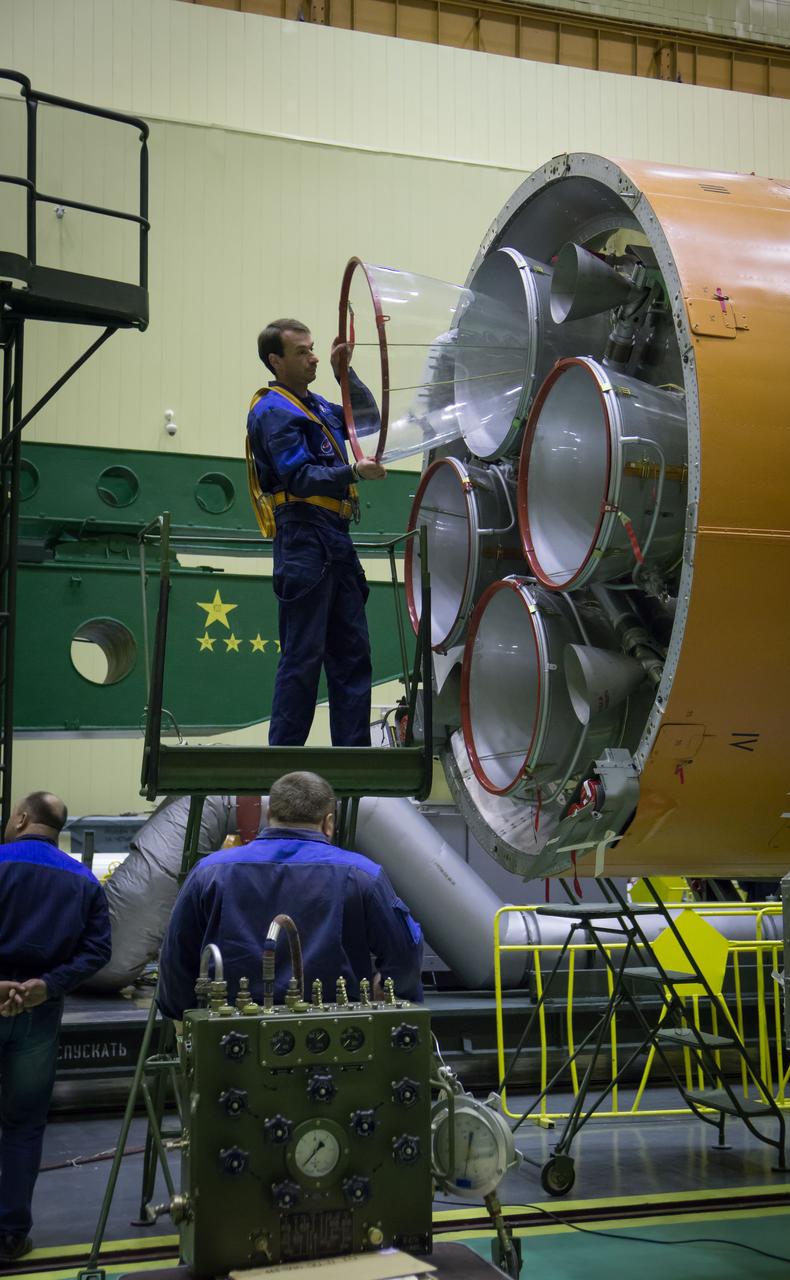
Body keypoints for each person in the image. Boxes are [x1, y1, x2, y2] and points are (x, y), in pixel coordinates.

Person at [157, 772, 423, 1019]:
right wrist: (392, 991)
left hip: (230, 1037)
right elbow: (405, 952)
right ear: (329, 823)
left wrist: (183, 1016)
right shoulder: (362, 874)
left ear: (268, 813)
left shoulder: (210, 871)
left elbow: (176, 956)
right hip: (339, 1037)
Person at [246, 318, 386, 747]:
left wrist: (347, 373)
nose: (312, 358)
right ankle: (283, 759)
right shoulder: (273, 410)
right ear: (276, 360)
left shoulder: (319, 406)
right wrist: (352, 472)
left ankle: (354, 759)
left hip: (335, 536)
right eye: (302, 352)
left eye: (312, 349)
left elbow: (366, 421)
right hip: (303, 536)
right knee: (303, 655)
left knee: (352, 654)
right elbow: (300, 476)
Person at [0, 793, 111, 1262]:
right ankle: (9, 1236)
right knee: (23, 1125)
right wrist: (47, 985)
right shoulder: (84, 881)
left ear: (22, 818)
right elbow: (98, 951)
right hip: (37, 1014)